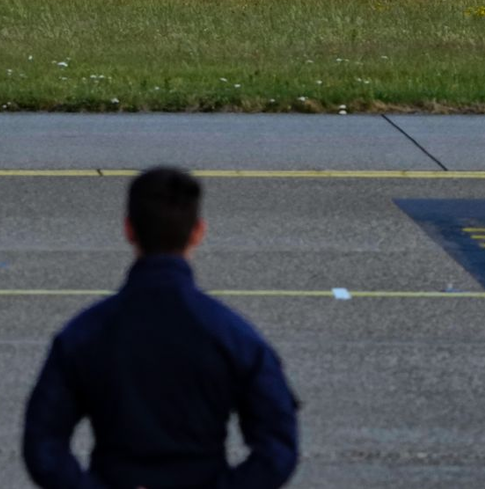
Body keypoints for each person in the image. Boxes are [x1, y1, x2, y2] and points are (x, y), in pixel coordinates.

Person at [23, 167, 298, 489]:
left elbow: (43, 444)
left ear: (129, 230)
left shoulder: (84, 333)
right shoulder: (234, 336)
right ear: (197, 232)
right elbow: (277, 448)